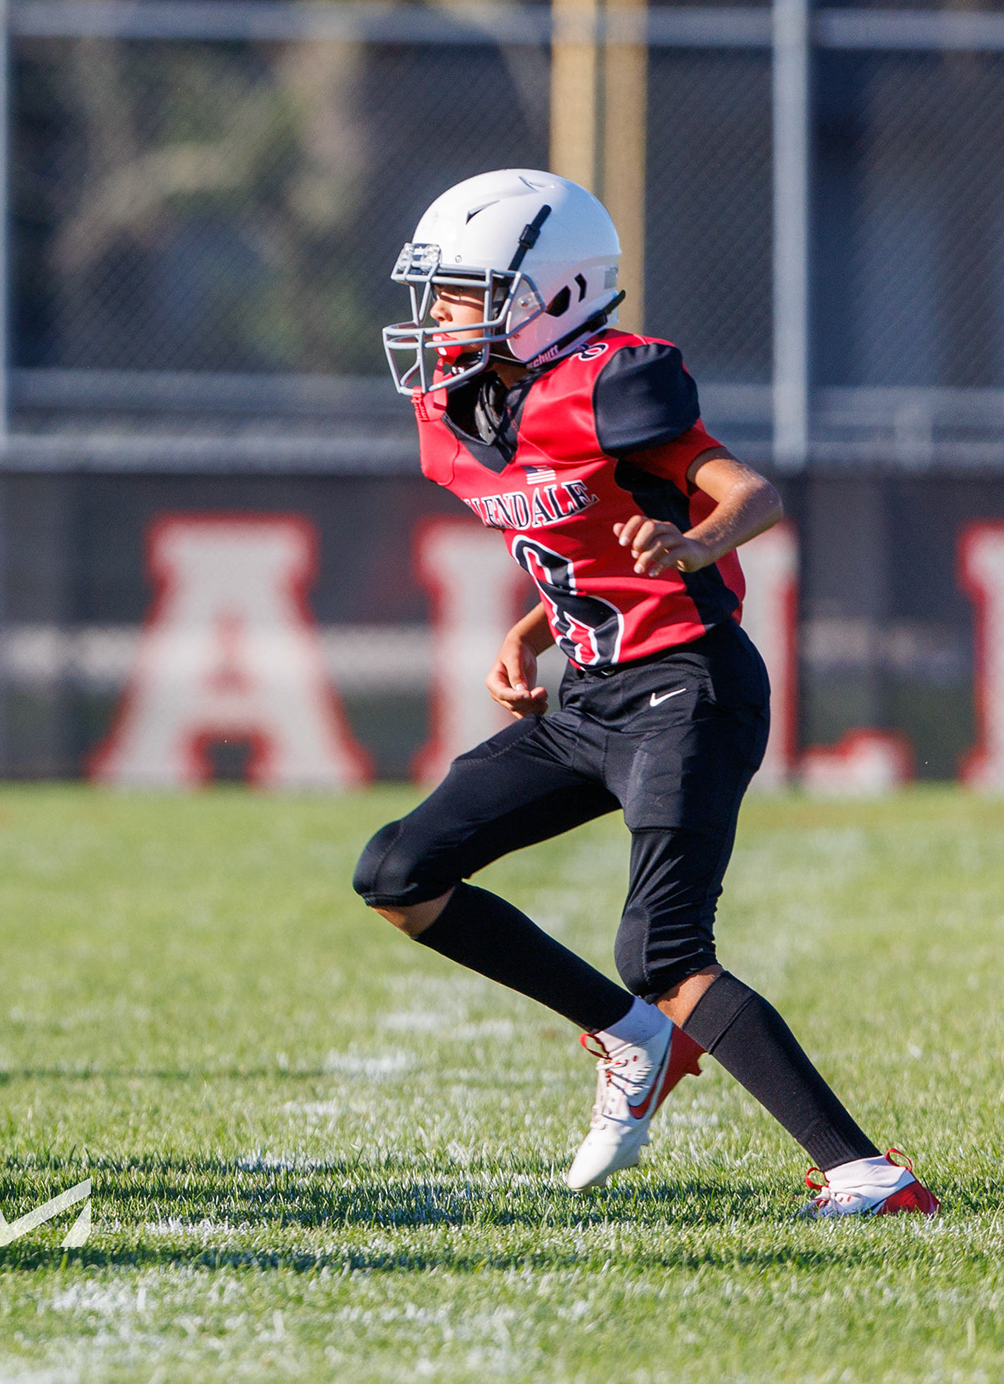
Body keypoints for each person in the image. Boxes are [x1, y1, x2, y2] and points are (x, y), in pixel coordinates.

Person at [356, 168, 934, 1217]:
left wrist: (696, 541)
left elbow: (749, 493)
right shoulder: (457, 409)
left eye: (466, 291)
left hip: (690, 685)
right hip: (591, 698)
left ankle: (867, 1174)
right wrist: (530, 631)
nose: (440, 315)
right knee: (399, 871)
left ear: (557, 292)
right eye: (438, 292)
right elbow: (572, 549)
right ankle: (632, 1040)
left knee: (662, 950)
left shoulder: (610, 384)